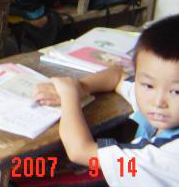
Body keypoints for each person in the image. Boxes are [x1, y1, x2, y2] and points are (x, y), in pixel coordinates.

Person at [34, 14, 179, 186]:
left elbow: (80, 151)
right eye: (148, 85)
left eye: (176, 91)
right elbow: (117, 76)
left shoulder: (164, 155)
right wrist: (81, 87)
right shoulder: (162, 102)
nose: (158, 102)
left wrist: (69, 95)